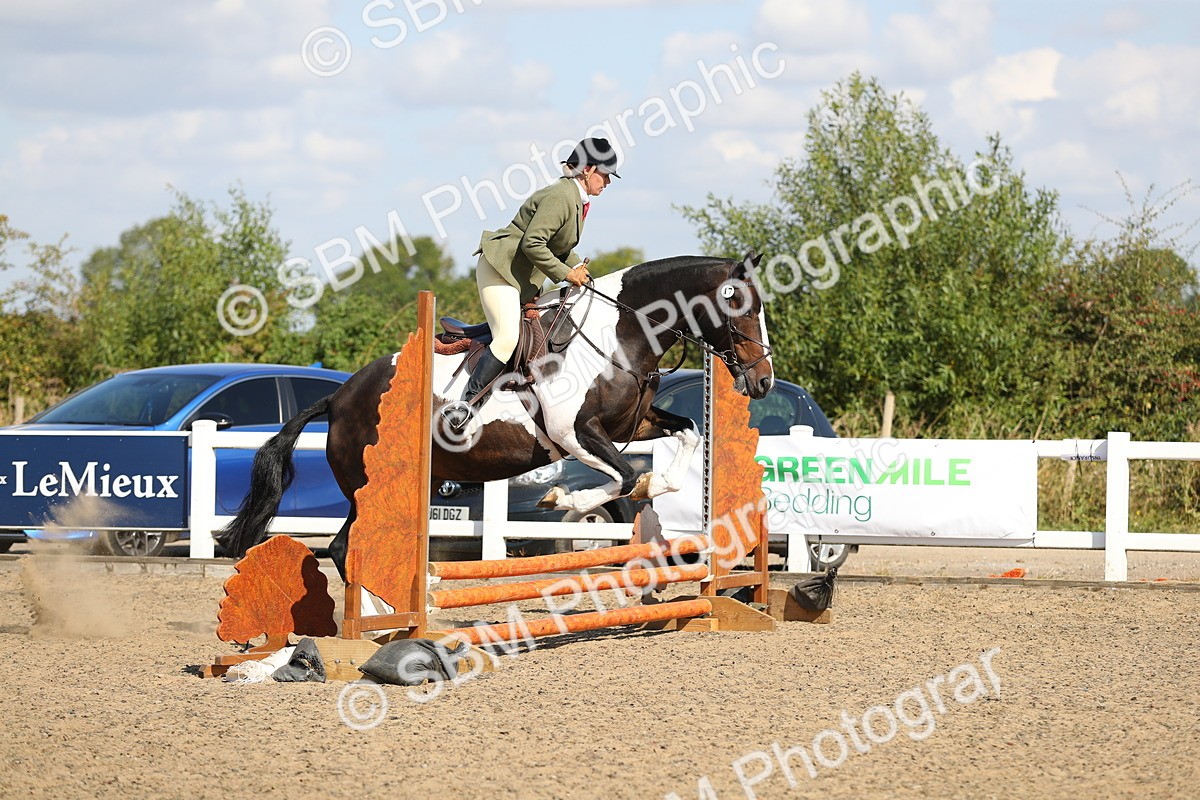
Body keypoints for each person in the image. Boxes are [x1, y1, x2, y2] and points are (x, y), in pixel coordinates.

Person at [443, 137, 621, 429]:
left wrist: (577, 266)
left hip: (520, 277)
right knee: (507, 338)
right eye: (605, 174)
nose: (608, 182)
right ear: (588, 169)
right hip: (500, 269)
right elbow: (533, 244)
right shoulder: (562, 196)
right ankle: (465, 408)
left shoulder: (575, 199)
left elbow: (558, 246)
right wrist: (566, 274)